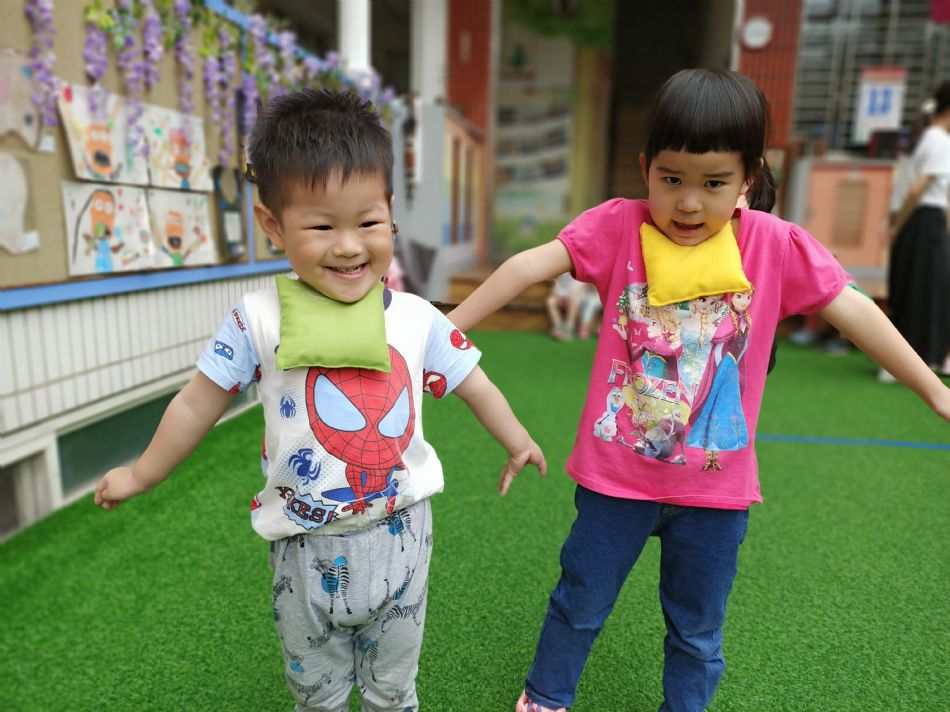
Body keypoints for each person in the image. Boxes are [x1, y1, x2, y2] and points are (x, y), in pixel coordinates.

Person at [448, 69, 950, 712]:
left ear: (747, 178)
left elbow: (853, 310)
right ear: (645, 168)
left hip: (715, 491)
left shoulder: (773, 244)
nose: (688, 203)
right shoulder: (619, 227)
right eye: (671, 179)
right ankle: (546, 698)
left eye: (713, 183)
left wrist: (933, 390)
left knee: (697, 632)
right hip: (617, 481)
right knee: (578, 604)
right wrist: (442, 331)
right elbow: (526, 266)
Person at [94, 90, 546, 712]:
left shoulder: (417, 319)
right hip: (302, 544)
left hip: (401, 533)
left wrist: (517, 440)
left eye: (367, 223)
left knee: (394, 690)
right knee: (317, 695)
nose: (349, 246)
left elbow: (475, 382)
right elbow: (197, 403)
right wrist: (141, 473)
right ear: (273, 224)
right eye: (322, 226)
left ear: (391, 214)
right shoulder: (256, 320)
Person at [884, 82, 950, 381]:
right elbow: (916, 190)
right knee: (922, 290)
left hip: (920, 221)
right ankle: (907, 365)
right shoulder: (939, 140)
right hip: (924, 221)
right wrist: (897, 226)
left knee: (916, 288)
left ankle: (914, 361)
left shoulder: (927, 139)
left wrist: (896, 224)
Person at [546, 272, 601, 340]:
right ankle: (558, 326)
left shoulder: (580, 273)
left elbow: (577, 291)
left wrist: (566, 298)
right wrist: (560, 296)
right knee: (551, 301)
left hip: (578, 298)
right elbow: (558, 285)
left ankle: (568, 329)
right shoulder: (563, 273)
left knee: (573, 300)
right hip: (563, 295)